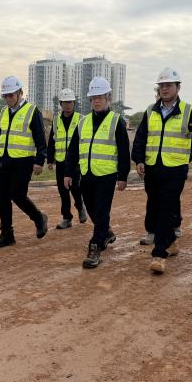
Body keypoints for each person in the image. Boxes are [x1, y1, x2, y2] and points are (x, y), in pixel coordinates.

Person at [132, 67, 192, 274]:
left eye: (169, 85)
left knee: (166, 208)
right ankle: (172, 241)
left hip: (176, 168)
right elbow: (141, 137)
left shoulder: (188, 110)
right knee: (156, 205)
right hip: (153, 167)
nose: (165, 89)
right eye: (162, 85)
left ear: (178, 87)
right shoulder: (151, 110)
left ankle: (159, 255)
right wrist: (139, 160)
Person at [64, 77, 130, 268]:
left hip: (107, 175)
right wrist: (68, 172)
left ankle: (95, 246)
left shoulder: (117, 121)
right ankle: (106, 233)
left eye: (100, 97)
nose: (96, 101)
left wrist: (123, 176)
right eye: (93, 98)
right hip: (87, 174)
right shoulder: (83, 122)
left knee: (101, 211)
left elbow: (124, 151)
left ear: (108, 97)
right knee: (92, 208)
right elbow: (73, 150)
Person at [0, 76, 49, 248]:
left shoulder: (32, 111)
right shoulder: (3, 113)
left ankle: (39, 218)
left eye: (11, 95)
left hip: (24, 162)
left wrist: (40, 161)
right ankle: (7, 234)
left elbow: (40, 139)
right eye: (5, 96)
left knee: (18, 195)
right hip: (5, 161)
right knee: (1, 196)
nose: (8, 99)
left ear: (20, 93)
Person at [46, 88, 87, 229]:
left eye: (70, 102)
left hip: (76, 161)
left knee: (75, 187)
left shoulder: (81, 119)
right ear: (60, 104)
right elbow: (52, 141)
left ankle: (80, 206)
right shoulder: (56, 120)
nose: (68, 105)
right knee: (63, 190)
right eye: (65, 102)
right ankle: (66, 218)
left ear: (74, 103)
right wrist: (50, 159)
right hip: (61, 161)